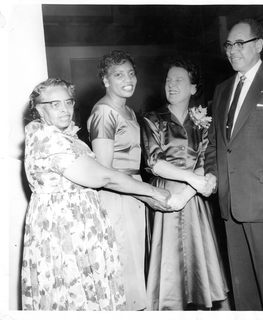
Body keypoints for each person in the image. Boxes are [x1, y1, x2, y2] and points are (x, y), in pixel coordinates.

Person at [21, 78, 170, 311]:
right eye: (55, 104)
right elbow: (103, 176)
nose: (65, 109)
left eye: (68, 102)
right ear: (39, 109)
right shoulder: (47, 139)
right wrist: (153, 192)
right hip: (64, 233)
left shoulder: (62, 135)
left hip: (78, 228)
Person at [203, 19, 263, 310]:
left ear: (258, 45)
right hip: (231, 206)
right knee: (245, 298)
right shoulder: (221, 90)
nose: (232, 51)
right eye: (228, 45)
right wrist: (211, 175)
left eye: (239, 43)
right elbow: (216, 144)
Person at [142, 59, 229, 310]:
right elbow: (154, 162)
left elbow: (207, 159)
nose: (171, 85)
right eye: (168, 80)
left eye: (178, 80)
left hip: (193, 200)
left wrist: (189, 191)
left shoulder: (203, 121)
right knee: (167, 272)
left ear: (193, 88)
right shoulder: (152, 118)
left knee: (199, 271)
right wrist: (191, 181)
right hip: (165, 196)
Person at [87, 50, 167, 310]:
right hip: (116, 199)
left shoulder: (129, 111)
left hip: (131, 197)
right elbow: (103, 173)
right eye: (118, 74)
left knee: (135, 269)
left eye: (131, 73)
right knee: (124, 271)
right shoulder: (104, 113)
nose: (128, 79)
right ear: (106, 80)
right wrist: (147, 193)